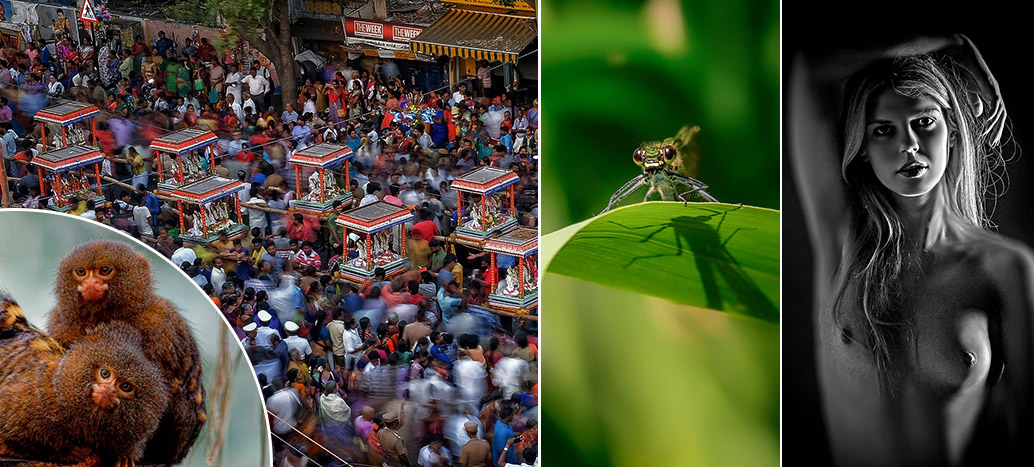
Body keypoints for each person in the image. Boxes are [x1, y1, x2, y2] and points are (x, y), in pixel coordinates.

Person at [789, 35, 1034, 466]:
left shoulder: (1007, 269)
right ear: (862, 150)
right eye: (884, 130)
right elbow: (809, 68)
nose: (909, 146)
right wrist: (952, 44)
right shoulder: (840, 237)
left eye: (924, 122)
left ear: (953, 131)